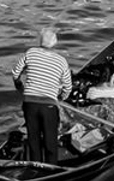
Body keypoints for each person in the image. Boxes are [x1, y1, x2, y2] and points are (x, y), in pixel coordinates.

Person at [11, 26, 72, 163]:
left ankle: (35, 167)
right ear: (55, 42)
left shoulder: (31, 52)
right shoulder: (61, 61)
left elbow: (15, 73)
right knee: (50, 141)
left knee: (34, 140)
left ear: (41, 41)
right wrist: (60, 98)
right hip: (49, 105)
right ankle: (51, 170)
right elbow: (68, 87)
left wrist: (19, 86)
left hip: (30, 103)